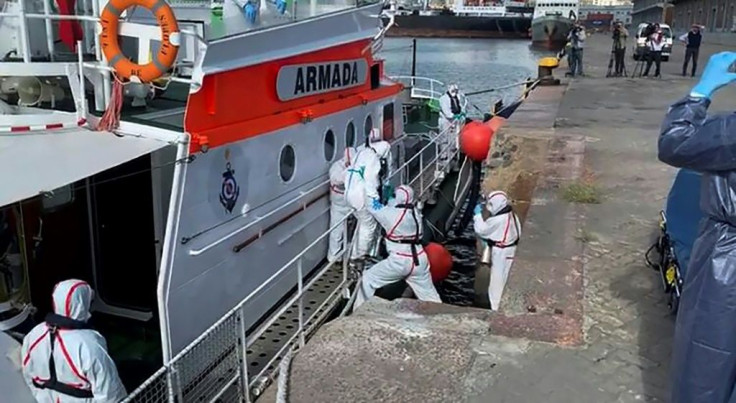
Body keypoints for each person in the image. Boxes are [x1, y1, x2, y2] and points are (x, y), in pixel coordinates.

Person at [658, 51, 736, 403]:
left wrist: (699, 93)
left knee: (706, 362)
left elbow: (674, 142)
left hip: (726, 259)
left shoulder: (730, 132)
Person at [21, 279, 127, 402]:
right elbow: (110, 395)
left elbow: (28, 375)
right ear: (82, 303)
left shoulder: (34, 334)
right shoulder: (89, 345)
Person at [354, 185, 441, 308]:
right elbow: (398, 205)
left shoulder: (390, 215)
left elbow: (372, 206)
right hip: (419, 260)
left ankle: (359, 312)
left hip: (399, 261)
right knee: (431, 297)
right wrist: (391, 199)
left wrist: (365, 188)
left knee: (368, 279)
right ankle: (441, 315)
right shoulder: (416, 213)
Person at [344, 139, 392, 261]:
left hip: (349, 194)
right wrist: (376, 203)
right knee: (369, 226)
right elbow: (371, 182)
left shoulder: (361, 153)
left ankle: (353, 253)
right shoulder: (373, 159)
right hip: (360, 197)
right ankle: (359, 258)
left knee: (361, 223)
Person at [473, 191, 521, 311]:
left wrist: (478, 215)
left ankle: (496, 309)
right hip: (511, 249)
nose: (489, 207)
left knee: (496, 284)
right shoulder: (512, 215)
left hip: (501, 252)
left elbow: (481, 230)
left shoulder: (499, 219)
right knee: (505, 279)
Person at [327, 147, 357, 264]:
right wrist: (349, 173)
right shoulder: (336, 168)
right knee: (336, 232)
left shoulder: (355, 166)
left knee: (355, 229)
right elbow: (337, 180)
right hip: (339, 206)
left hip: (352, 203)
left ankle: (352, 253)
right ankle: (333, 257)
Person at [438, 84, 465, 162]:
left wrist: (462, 113)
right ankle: (444, 155)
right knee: (444, 138)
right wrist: (455, 115)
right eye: (453, 91)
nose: (455, 92)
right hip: (445, 121)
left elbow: (461, 106)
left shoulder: (457, 98)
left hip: (454, 121)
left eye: (456, 91)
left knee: (453, 138)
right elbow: (447, 112)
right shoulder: (443, 99)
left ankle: (453, 154)